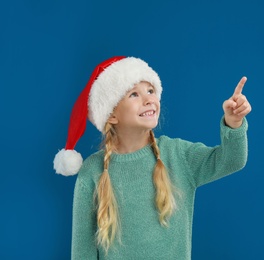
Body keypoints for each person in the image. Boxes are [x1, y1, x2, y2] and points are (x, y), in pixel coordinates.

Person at [53, 56, 251, 259]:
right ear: (111, 115)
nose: (148, 99)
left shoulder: (177, 155)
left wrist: (234, 123)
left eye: (150, 91)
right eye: (134, 94)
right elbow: (82, 252)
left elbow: (232, 160)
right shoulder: (92, 172)